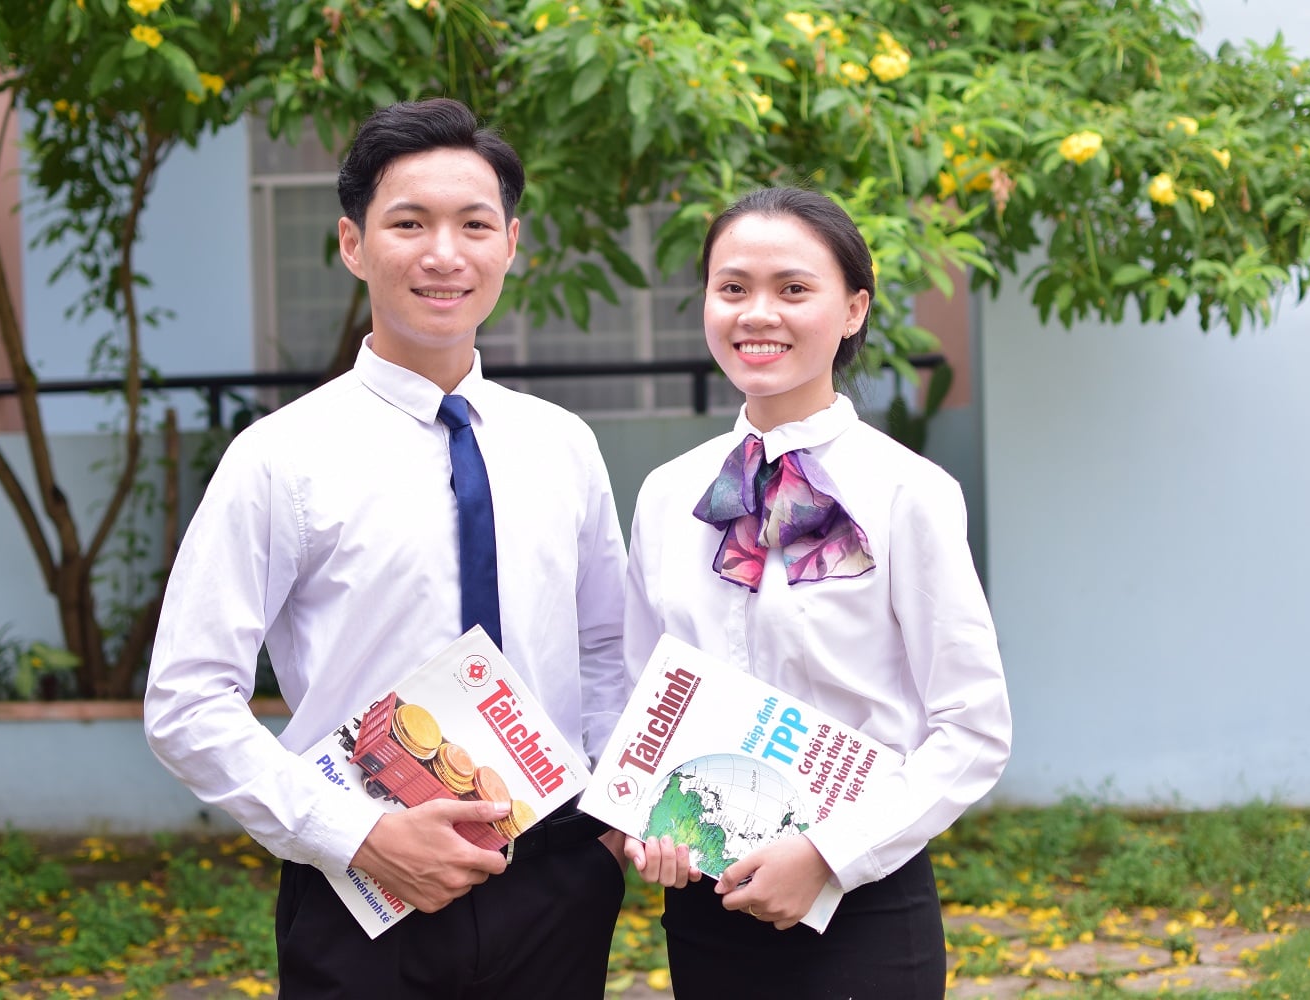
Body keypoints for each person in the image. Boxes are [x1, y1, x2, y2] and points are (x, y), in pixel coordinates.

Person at [144, 98, 629, 999]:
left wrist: (605, 813)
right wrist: (356, 834)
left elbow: (607, 647)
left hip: (556, 885)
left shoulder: (563, 444)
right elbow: (186, 700)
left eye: (473, 225)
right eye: (409, 223)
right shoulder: (280, 457)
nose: (444, 254)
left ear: (510, 244)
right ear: (353, 244)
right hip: (362, 891)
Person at [621, 187, 1012, 997]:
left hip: (862, 905)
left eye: (793, 289)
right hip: (704, 903)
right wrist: (645, 818)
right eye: (732, 288)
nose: (757, 313)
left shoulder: (908, 493)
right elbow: (644, 699)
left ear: (853, 308)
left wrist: (827, 856)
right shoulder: (667, 494)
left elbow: (973, 729)